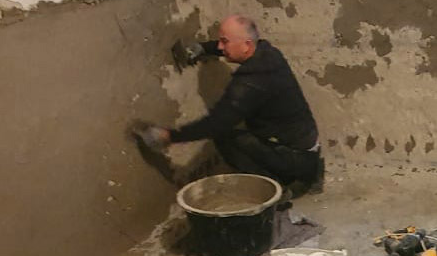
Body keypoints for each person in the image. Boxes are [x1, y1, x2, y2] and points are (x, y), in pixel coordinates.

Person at [136, 14, 322, 196]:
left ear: (247, 45)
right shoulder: (268, 53)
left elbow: (216, 123)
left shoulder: (251, 82)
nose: (220, 46)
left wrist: (169, 136)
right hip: (306, 148)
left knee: (225, 137)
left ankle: (276, 189)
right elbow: (237, 45)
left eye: (224, 42)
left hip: (296, 158)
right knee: (243, 133)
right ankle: (309, 174)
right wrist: (204, 48)